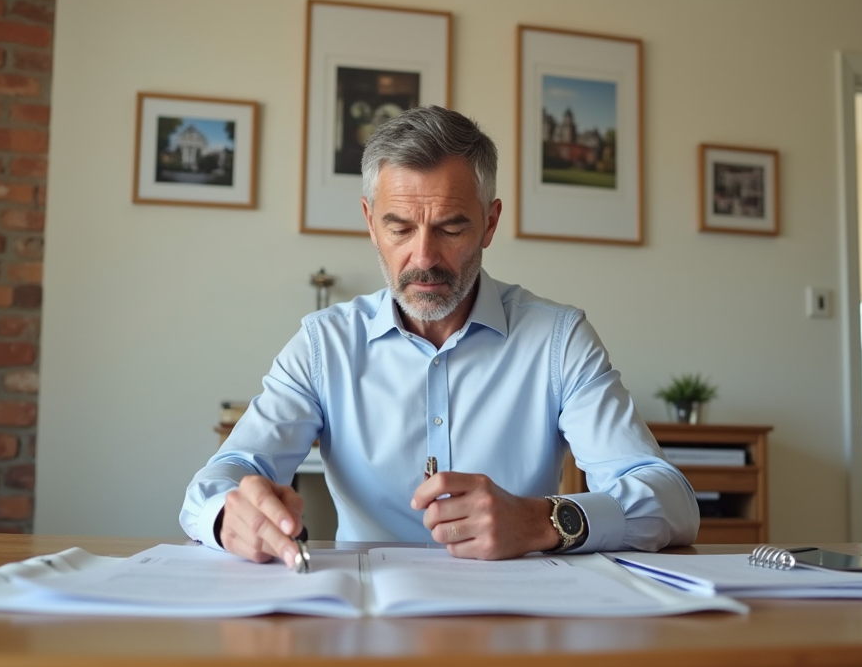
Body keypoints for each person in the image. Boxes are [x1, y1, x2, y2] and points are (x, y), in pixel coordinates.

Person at [180, 106, 697, 566]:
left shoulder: (559, 341)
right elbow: (225, 474)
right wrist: (230, 516)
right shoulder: (324, 345)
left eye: (451, 228)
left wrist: (541, 521)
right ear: (370, 223)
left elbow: (671, 502)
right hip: (366, 619)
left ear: (489, 223)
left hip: (514, 619)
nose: (424, 258)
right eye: (400, 228)